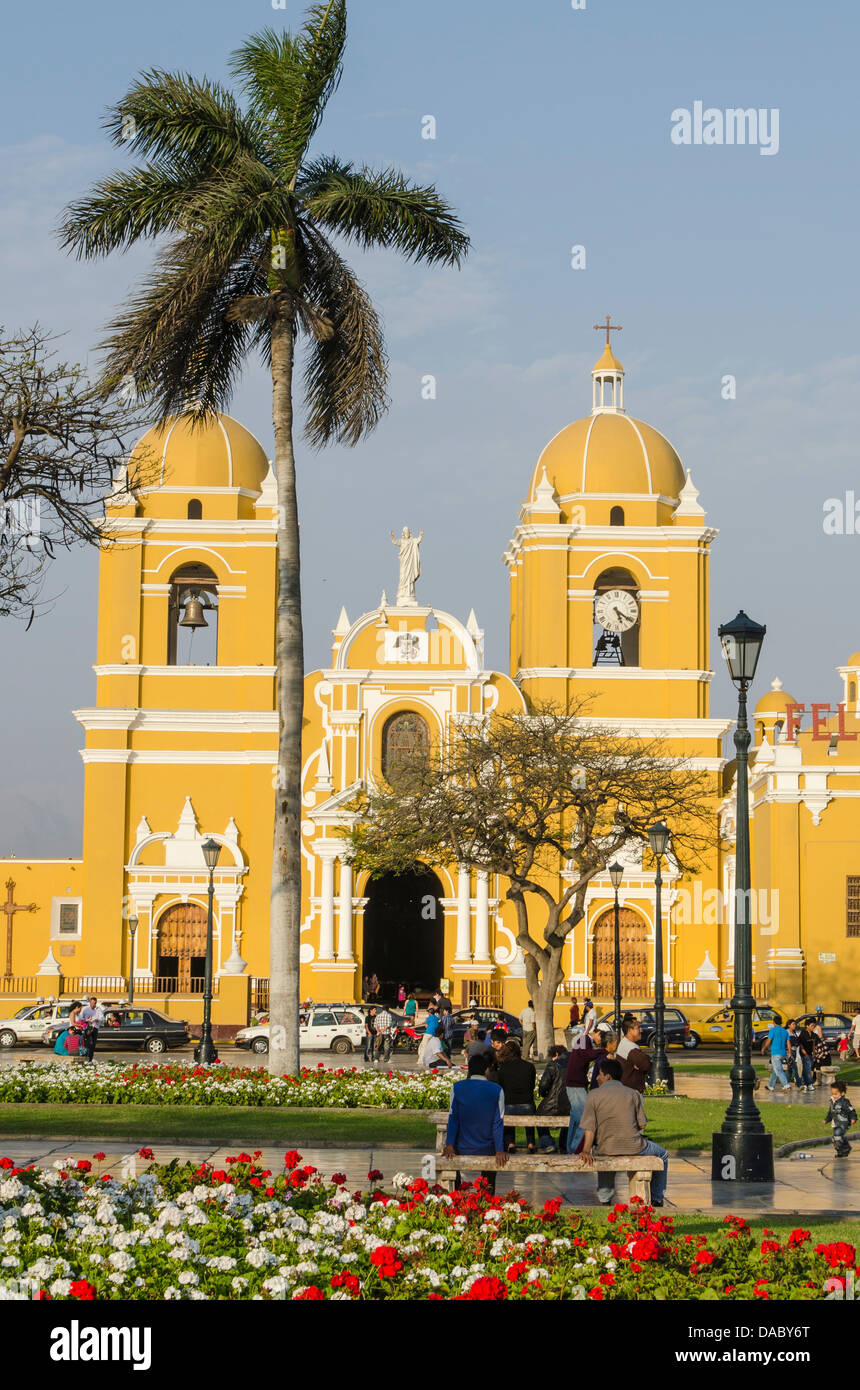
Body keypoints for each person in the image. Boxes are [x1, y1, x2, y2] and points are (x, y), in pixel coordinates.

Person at [579, 1057, 669, 1207]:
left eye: (599, 1074)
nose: (597, 1077)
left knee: (603, 1154)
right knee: (663, 1155)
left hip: (606, 1148)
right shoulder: (633, 1094)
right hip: (634, 1147)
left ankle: (605, 1198)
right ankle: (657, 1198)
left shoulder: (593, 1095)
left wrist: (586, 1150)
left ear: (608, 1076)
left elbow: (590, 1128)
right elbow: (642, 1125)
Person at [443, 1051, 507, 1193]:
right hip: (488, 1148)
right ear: (486, 1070)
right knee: (491, 1173)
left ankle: (458, 1194)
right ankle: (487, 1196)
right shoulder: (497, 1090)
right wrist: (499, 1150)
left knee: (450, 1162)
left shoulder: (457, 1088)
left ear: (469, 1070)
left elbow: (453, 1118)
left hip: (462, 1147)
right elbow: (498, 1122)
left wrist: (450, 1144)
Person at [489, 1039, 537, 1153]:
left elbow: (500, 1088)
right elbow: (532, 1085)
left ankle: (510, 1143)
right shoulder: (529, 1067)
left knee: (508, 1120)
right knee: (529, 1120)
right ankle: (530, 1143)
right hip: (527, 1103)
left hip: (509, 1103)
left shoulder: (502, 1069)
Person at [565, 1033, 604, 1153]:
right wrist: (603, 1051)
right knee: (584, 1120)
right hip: (575, 1084)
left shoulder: (584, 1040)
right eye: (601, 1038)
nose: (600, 1042)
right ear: (597, 1033)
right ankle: (574, 1149)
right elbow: (586, 1055)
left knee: (575, 1121)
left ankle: (570, 1149)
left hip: (575, 1084)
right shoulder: (584, 1039)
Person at [537, 1043, 570, 1152]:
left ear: (556, 1054)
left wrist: (544, 1093)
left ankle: (548, 1143)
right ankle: (564, 1144)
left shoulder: (553, 1064)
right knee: (568, 1121)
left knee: (539, 1115)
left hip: (554, 1104)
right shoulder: (573, 1063)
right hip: (571, 1104)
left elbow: (543, 1085)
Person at [615, 1015, 651, 1094]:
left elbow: (643, 1062)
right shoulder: (629, 1047)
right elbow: (645, 1064)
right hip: (630, 1092)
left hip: (627, 1091)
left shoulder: (626, 1043)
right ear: (630, 1030)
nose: (641, 1030)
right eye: (638, 1028)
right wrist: (645, 1060)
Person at [824, 1080, 857, 1156]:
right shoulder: (832, 1102)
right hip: (836, 1123)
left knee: (837, 1136)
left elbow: (851, 1111)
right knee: (834, 1139)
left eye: (836, 1094)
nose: (834, 1096)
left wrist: (853, 1118)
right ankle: (841, 1151)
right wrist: (827, 1120)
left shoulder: (844, 1102)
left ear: (842, 1093)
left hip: (843, 1123)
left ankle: (845, 1148)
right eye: (832, 1094)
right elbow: (830, 1113)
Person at [763, 1017, 792, 1091]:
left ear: (774, 1023)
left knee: (778, 1070)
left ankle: (786, 1085)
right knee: (775, 1070)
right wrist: (789, 1053)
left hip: (775, 1053)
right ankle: (771, 1086)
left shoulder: (772, 1030)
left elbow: (769, 1041)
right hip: (783, 1053)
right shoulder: (785, 1031)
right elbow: (788, 1043)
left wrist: (764, 1048)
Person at [79, 996, 104, 1062]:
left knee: (93, 1044)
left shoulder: (98, 1009)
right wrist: (87, 1020)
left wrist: (97, 1020)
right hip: (87, 1028)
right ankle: (86, 1056)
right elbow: (81, 1018)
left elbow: (102, 1018)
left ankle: (90, 1057)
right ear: (90, 1002)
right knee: (87, 1043)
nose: (93, 1005)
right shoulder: (85, 1009)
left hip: (95, 1028)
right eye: (92, 1003)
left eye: (94, 1003)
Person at [794, 1019, 815, 1091]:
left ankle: (803, 1083)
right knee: (808, 1069)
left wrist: (814, 1052)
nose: (813, 1027)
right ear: (807, 1026)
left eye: (814, 1025)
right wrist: (804, 1052)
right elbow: (800, 1043)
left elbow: (813, 1043)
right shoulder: (803, 1033)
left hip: (810, 1053)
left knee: (806, 1069)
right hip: (804, 1054)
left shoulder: (812, 1034)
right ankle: (809, 1084)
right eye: (811, 1025)